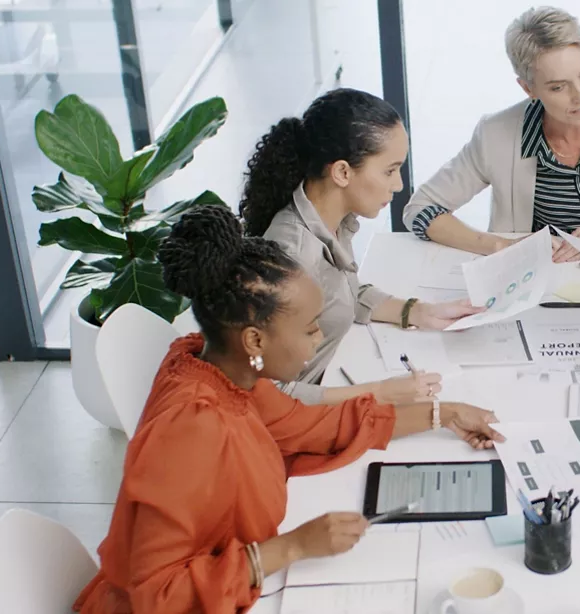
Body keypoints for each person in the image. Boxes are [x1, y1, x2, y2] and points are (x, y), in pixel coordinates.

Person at [74, 205, 505, 613]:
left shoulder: (229, 374)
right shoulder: (191, 428)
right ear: (255, 342)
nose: (319, 340)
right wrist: (292, 547)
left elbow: (316, 425)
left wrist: (442, 413)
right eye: (309, 328)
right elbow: (159, 596)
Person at [240, 88, 481, 406]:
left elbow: (341, 291)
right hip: (298, 418)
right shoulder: (293, 254)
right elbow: (263, 395)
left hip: (333, 376)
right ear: (342, 172)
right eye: (390, 171)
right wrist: (379, 394)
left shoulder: (330, 218)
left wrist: (417, 311)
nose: (397, 185)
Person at [402, 6, 580, 263]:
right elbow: (421, 210)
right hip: (541, 277)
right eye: (558, 87)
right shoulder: (495, 135)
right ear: (528, 89)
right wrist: (502, 246)